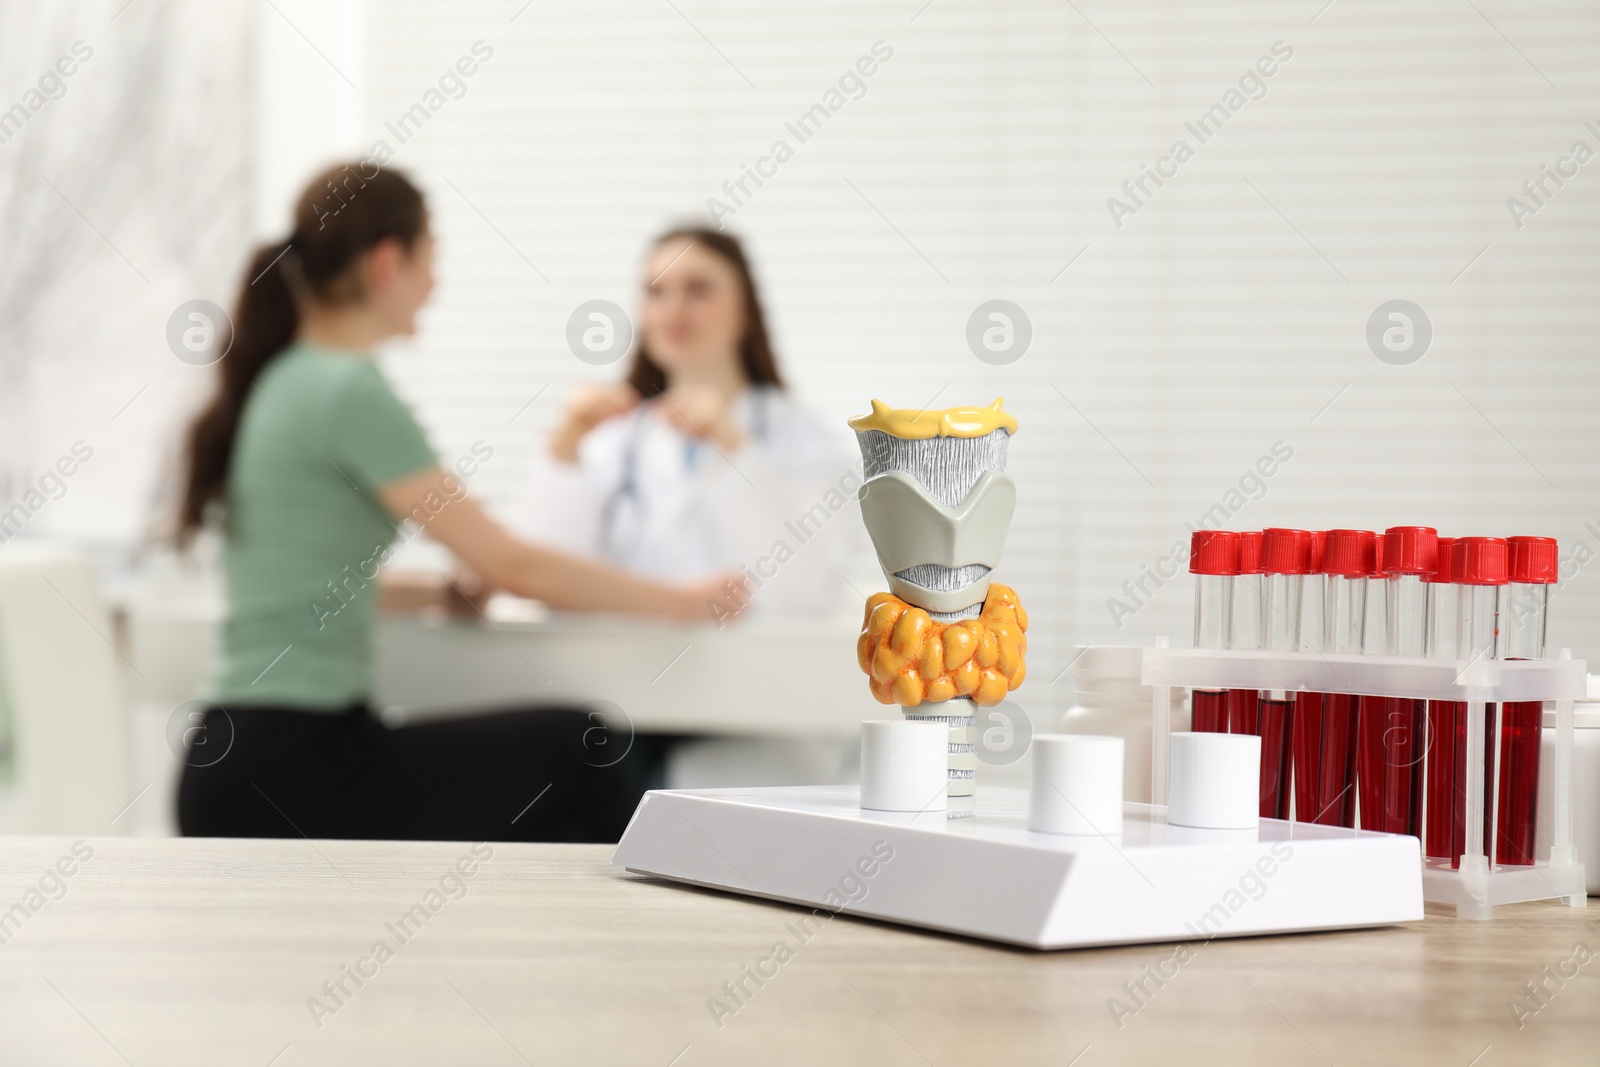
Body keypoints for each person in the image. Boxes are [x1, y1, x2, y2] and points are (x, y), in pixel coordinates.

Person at [174, 164, 734, 843]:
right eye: (430, 264)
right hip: (297, 762)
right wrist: (684, 603)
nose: (435, 288)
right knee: (582, 751)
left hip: (240, 761)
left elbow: (302, 584)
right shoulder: (348, 390)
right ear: (389, 263)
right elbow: (510, 563)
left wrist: (432, 594)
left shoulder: (284, 380)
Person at [523, 227, 859, 620]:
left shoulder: (800, 439)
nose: (674, 309)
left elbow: (810, 596)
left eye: (698, 290)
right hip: (625, 669)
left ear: (745, 311)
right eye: (656, 292)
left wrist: (737, 451)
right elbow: (543, 582)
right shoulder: (612, 441)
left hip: (756, 671)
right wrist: (563, 453)